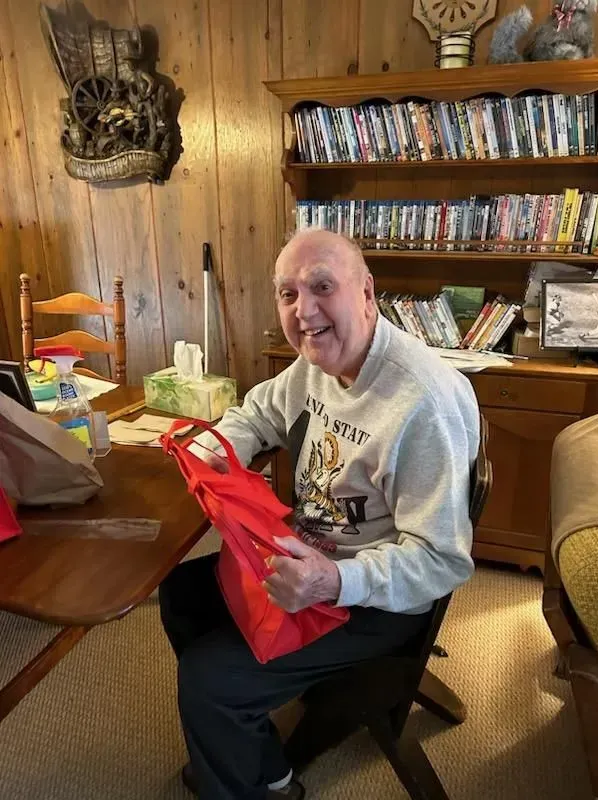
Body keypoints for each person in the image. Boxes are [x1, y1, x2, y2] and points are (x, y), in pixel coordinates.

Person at [159, 228, 480, 800]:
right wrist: (214, 450)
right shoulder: (318, 360)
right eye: (288, 293)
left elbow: (442, 562)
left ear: (366, 292)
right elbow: (258, 411)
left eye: (322, 287)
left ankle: (239, 755)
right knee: (182, 591)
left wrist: (334, 581)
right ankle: (265, 765)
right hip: (303, 559)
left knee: (210, 684)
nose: (304, 311)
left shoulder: (424, 403)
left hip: (371, 599)